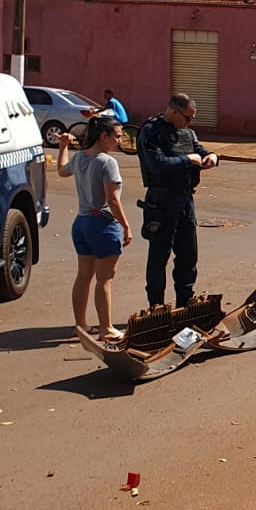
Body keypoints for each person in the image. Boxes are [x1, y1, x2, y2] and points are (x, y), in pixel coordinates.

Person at [137, 93, 218, 308]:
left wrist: (212, 157)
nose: (189, 123)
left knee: (187, 255)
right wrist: (186, 160)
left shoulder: (187, 132)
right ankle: (156, 306)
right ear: (173, 111)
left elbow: (198, 149)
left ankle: (185, 301)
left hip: (185, 199)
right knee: (159, 256)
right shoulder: (151, 132)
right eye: (187, 118)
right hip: (161, 200)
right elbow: (157, 164)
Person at [56, 115, 132, 342]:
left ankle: (80, 325)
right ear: (104, 136)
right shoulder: (107, 162)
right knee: (104, 279)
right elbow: (112, 199)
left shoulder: (80, 157)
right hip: (102, 223)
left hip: (81, 222)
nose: (119, 141)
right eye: (117, 136)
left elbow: (61, 170)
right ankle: (106, 328)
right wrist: (126, 225)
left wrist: (63, 147)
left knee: (83, 276)